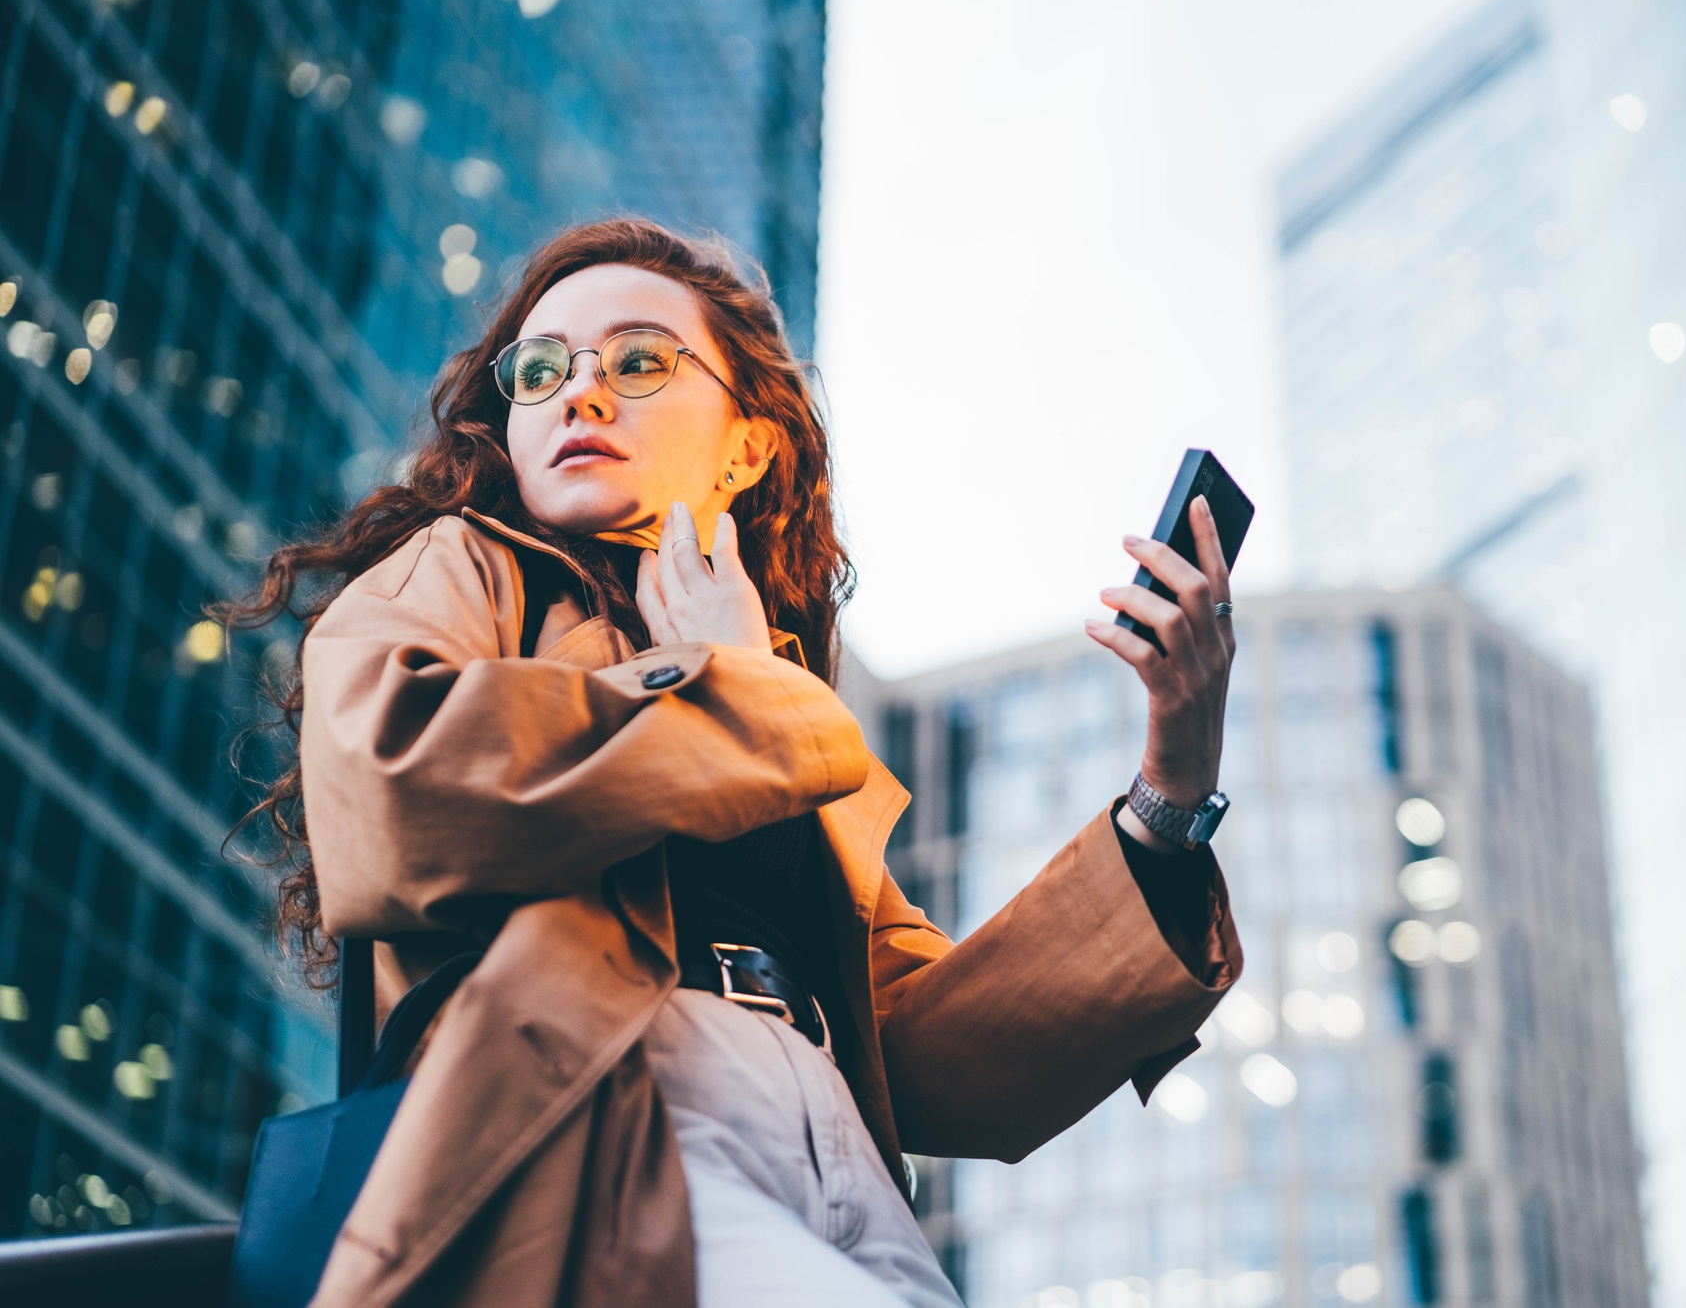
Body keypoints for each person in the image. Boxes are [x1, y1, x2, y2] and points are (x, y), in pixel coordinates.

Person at [232, 218, 1242, 1307]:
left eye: (637, 361)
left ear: (747, 445)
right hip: (610, 1119)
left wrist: (1169, 793)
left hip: (847, 1165)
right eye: (539, 369)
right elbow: (391, 774)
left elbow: (937, 1059)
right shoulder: (466, 567)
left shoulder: (775, 687)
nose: (580, 393)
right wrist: (731, 680)